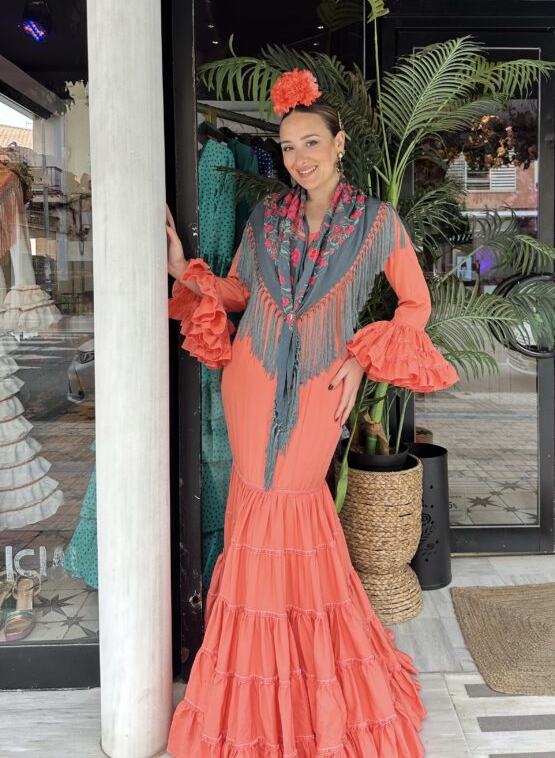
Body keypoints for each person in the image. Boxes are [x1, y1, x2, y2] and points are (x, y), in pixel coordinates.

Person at [165, 69, 459, 758]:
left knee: (291, 501)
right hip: (251, 380)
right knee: (255, 505)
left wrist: (363, 359)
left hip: (325, 388)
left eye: (311, 142)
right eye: (289, 146)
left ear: (339, 142)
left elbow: (416, 305)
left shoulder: (379, 224)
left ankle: (304, 676)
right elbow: (238, 292)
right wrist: (186, 269)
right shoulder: (267, 218)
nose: (300, 157)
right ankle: (255, 683)